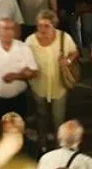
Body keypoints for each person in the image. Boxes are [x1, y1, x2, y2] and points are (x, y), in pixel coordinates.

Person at [26, 9, 78, 150]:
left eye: (46, 25)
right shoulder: (30, 41)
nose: (42, 29)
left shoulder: (63, 38)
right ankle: (42, 144)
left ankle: (59, 147)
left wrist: (67, 60)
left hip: (59, 86)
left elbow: (74, 52)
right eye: (40, 25)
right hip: (39, 86)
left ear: (54, 25)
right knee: (41, 117)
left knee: (58, 119)